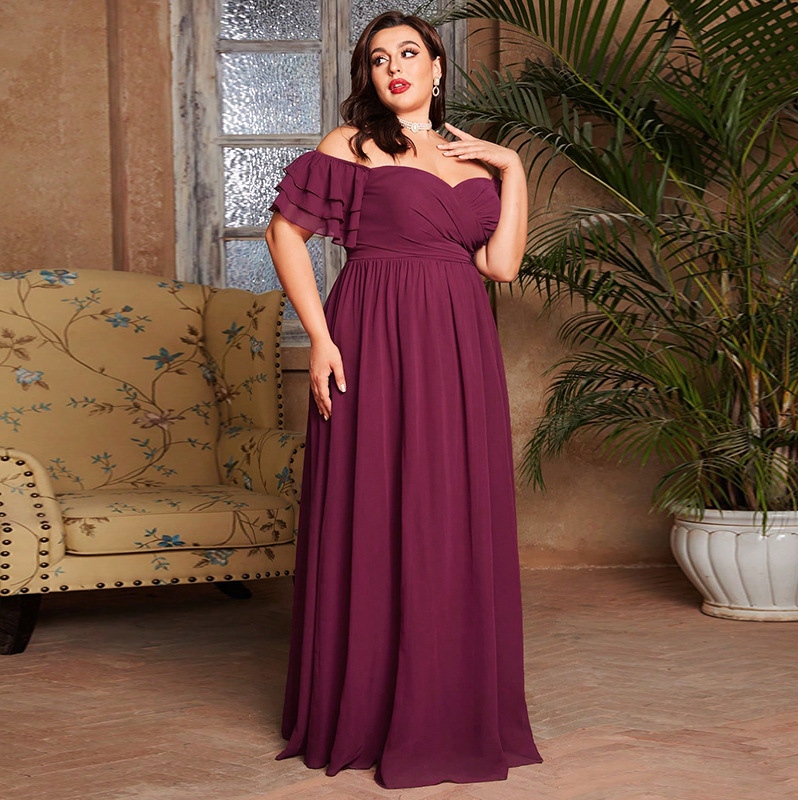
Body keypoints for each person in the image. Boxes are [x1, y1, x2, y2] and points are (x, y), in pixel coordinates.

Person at [264, 10, 543, 790]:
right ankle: (371, 708)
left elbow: (501, 266)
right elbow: (285, 235)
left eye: (409, 53)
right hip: (372, 336)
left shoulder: (475, 159)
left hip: (459, 346)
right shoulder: (349, 146)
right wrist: (321, 339)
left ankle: (450, 704)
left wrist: (513, 166)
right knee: (380, 507)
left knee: (453, 514)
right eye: (380, 57)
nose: (395, 67)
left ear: (438, 67)